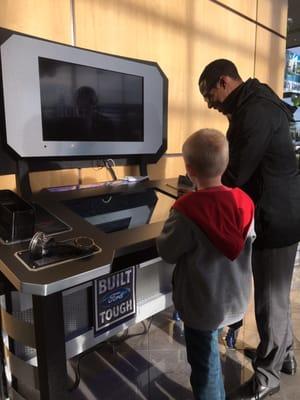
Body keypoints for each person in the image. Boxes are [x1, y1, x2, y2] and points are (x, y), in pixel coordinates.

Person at [199, 59, 300, 400]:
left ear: (224, 81)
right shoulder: (255, 102)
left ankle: (268, 376)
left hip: (277, 216)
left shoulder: (255, 111)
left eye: (209, 93)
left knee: (270, 300)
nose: (209, 103)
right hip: (279, 210)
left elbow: (237, 171)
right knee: (276, 297)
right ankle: (284, 356)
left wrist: (203, 188)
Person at [157, 129, 255, 400]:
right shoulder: (245, 202)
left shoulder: (187, 209)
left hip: (202, 307)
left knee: (205, 367)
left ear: (189, 170)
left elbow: (167, 250)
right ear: (225, 164)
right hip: (235, 300)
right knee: (212, 359)